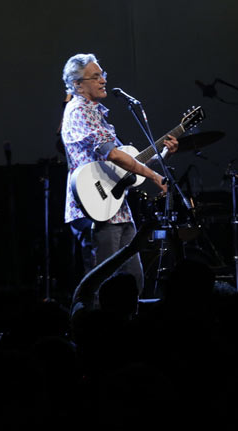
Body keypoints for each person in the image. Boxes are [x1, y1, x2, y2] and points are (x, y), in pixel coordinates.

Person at [61, 53, 178, 295]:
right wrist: (156, 177)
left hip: (116, 207)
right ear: (77, 84)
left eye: (103, 74)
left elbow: (128, 162)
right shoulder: (79, 111)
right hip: (94, 207)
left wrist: (164, 154)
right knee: (101, 284)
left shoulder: (97, 114)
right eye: (95, 76)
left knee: (133, 279)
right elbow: (113, 155)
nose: (103, 80)